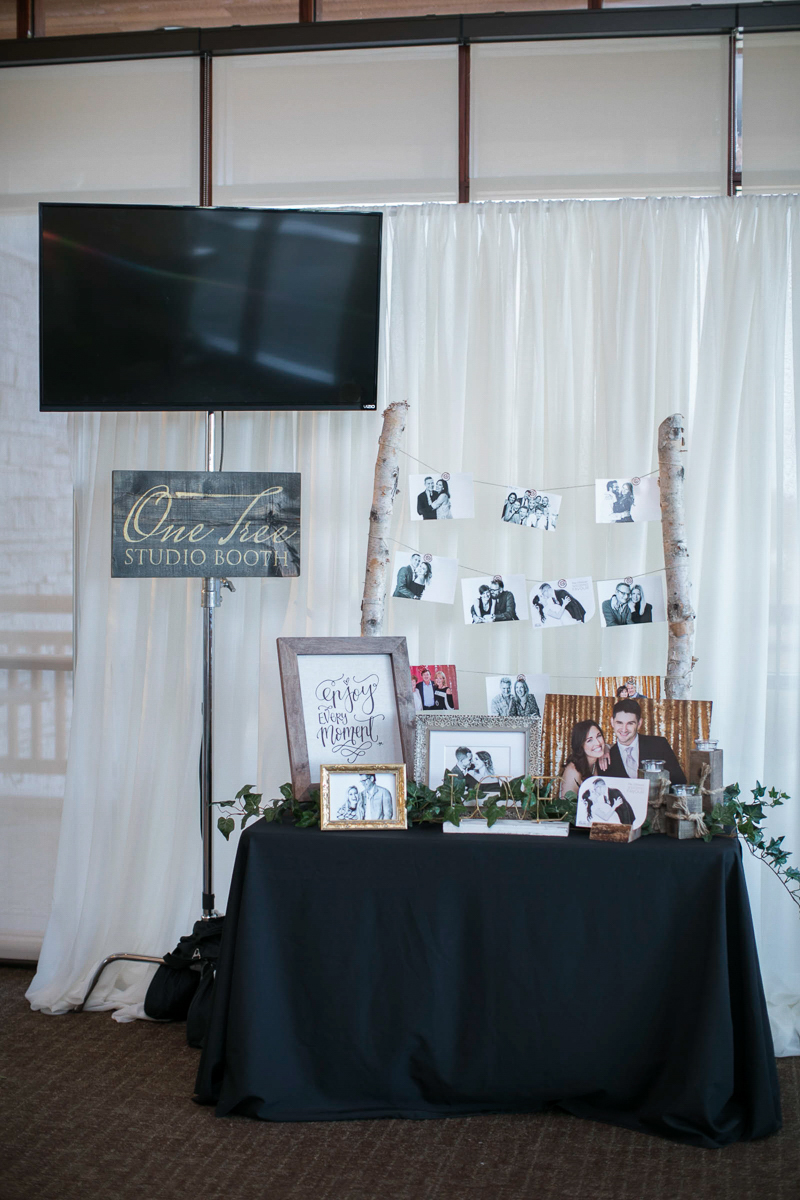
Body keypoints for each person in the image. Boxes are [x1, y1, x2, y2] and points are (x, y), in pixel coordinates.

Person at [602, 698, 686, 784]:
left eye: (630, 723)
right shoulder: (605, 757)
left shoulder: (659, 745)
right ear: (612, 722)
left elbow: (679, 782)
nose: (624, 729)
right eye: (619, 723)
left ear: (639, 723)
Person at [560, 719, 608, 799]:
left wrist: (607, 749)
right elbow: (566, 808)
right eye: (589, 740)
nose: (598, 743)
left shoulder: (594, 762)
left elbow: (616, 746)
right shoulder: (573, 771)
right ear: (580, 745)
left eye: (599, 736)